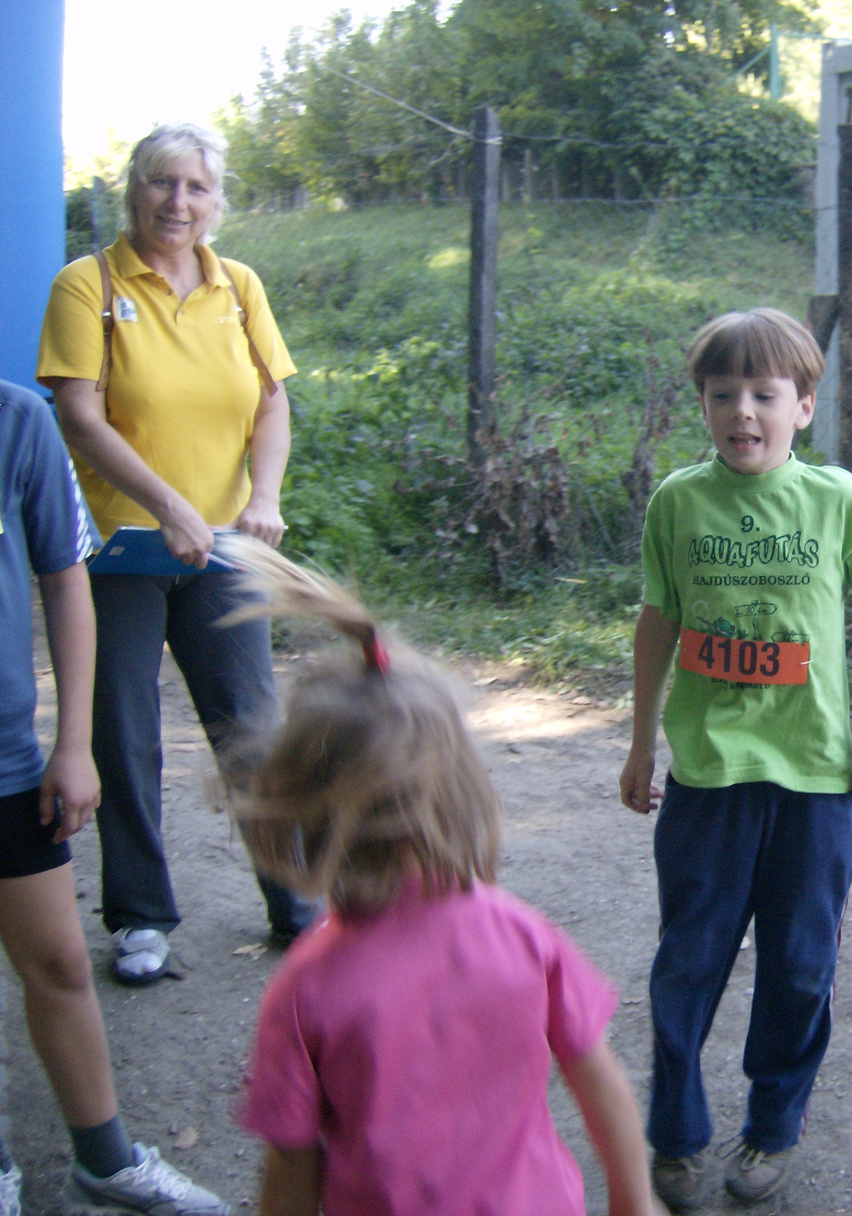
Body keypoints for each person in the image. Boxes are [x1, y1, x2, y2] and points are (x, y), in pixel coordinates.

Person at [219, 538, 657, 1216]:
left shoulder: (305, 990)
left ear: (306, 810)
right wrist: (634, 1202)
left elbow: (290, 1169)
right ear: (459, 791)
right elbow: (598, 1078)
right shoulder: (519, 933)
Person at [619, 309, 852, 1209]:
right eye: (722, 394)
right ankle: (675, 1133)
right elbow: (657, 621)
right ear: (702, 404)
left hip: (814, 781)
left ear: (803, 406)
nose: (743, 411)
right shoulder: (679, 503)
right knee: (688, 961)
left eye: (764, 395)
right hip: (708, 778)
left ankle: (774, 1124)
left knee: (802, 963)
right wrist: (638, 741)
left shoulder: (838, 501)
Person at [37, 122, 315, 985]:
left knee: (253, 726)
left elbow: (270, 405)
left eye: (196, 188)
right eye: (162, 184)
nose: (177, 203)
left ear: (217, 200)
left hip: (225, 549)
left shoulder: (238, 287)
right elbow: (78, 413)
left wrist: (262, 498)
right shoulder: (87, 286)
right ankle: (141, 920)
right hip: (120, 553)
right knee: (122, 732)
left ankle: (296, 903)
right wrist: (167, 506)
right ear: (132, 190)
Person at [0, 379, 229, 1215]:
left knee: (58, 963)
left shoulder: (16, 419)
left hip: (6, 757)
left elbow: (65, 579)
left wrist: (70, 744)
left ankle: (103, 1162)